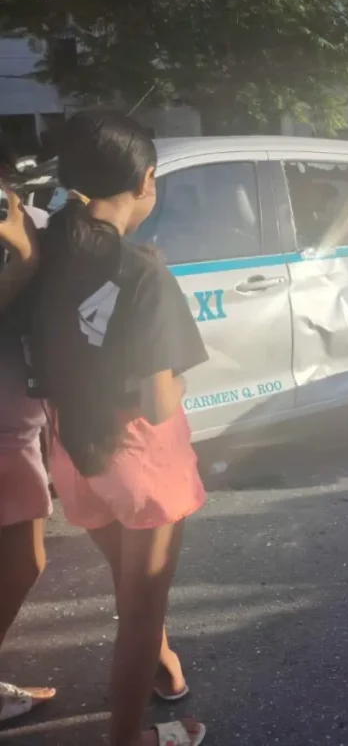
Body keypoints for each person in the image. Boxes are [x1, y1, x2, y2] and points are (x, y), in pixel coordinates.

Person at [25, 110, 208, 746]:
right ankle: (129, 737)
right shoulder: (145, 272)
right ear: (147, 181)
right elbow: (160, 402)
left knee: (129, 584)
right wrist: (183, 383)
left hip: (72, 452)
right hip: (141, 460)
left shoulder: (43, 254)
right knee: (140, 608)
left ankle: (164, 671)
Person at [0, 189, 56, 725]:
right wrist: (25, 261)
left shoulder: (31, 220)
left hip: (18, 427)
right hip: (5, 435)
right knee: (22, 562)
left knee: (19, 562)